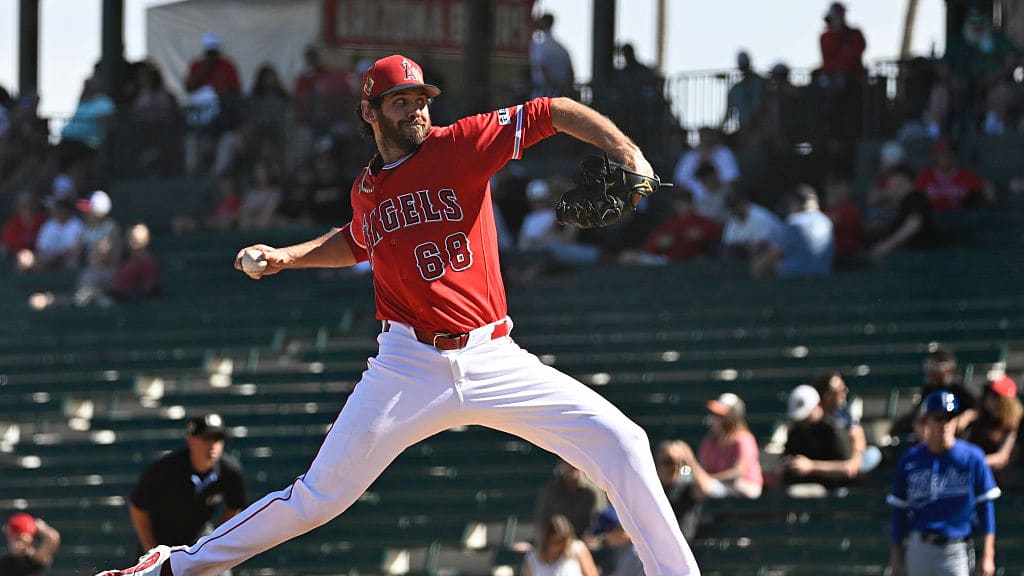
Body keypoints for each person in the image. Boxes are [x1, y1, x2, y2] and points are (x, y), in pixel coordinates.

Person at [94, 54, 699, 576]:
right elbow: (356, 241)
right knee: (319, 497)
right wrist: (288, 257)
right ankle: (176, 564)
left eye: (420, 98)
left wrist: (625, 149)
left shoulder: (461, 144)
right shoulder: (367, 189)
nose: (416, 109)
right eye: (401, 100)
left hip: (493, 354)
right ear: (371, 111)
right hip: (407, 364)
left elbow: (554, 110)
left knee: (623, 441)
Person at [887, 391, 999, 576]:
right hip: (920, 546)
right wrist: (895, 555)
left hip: (956, 548)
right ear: (927, 421)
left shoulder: (972, 457)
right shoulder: (911, 459)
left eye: (950, 418)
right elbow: (898, 510)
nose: (945, 424)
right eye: (939, 418)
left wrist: (988, 554)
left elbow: (986, 507)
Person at [128, 414, 246, 557]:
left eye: (218, 439)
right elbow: (138, 506)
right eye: (206, 438)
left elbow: (235, 507)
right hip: (162, 538)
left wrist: (215, 540)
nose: (212, 445)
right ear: (191, 440)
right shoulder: (167, 468)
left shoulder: (229, 472)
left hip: (199, 535)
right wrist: (150, 548)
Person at [676, 393, 763, 501]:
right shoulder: (711, 440)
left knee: (704, 487)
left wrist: (707, 478)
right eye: (715, 415)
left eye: (721, 416)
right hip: (718, 486)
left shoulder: (743, 439)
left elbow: (737, 473)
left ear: (733, 418)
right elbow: (703, 467)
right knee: (686, 484)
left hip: (745, 487)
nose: (715, 419)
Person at [889, 344, 978, 450]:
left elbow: (978, 408)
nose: (936, 366)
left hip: (955, 434)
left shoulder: (958, 388)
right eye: (934, 361)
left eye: (940, 361)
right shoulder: (928, 389)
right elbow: (917, 414)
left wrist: (966, 416)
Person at [183, 32, 242, 176]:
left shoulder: (228, 66)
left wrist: (220, 94)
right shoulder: (197, 65)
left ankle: (216, 177)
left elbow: (237, 90)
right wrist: (206, 69)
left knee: (228, 142)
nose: (212, 55)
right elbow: (189, 87)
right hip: (201, 125)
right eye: (209, 51)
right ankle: (193, 179)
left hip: (223, 123)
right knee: (191, 143)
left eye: (214, 51)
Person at [779, 384, 855, 492]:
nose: (803, 420)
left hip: (830, 489)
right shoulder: (796, 431)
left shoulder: (833, 429)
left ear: (818, 405)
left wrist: (812, 467)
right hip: (800, 483)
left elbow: (848, 468)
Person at [752, 185, 833, 278]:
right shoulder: (826, 221)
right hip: (824, 274)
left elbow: (776, 253)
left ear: (795, 204)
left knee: (764, 265)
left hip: (797, 278)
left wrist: (757, 265)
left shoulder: (794, 222)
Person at [812, 372, 882, 476]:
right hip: (825, 459)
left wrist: (856, 458)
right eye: (840, 390)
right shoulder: (813, 413)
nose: (845, 392)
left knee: (873, 453)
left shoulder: (843, 412)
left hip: (846, 458)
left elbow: (857, 435)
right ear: (827, 394)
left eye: (844, 388)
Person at [961, 375, 1023, 472]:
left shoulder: (1011, 424)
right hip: (969, 470)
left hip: (993, 475)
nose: (988, 398)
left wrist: (976, 461)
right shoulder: (977, 418)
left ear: (1006, 401)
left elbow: (1002, 457)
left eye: (994, 395)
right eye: (987, 393)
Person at [914, 139, 995, 213]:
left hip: (958, 218)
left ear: (954, 156)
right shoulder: (925, 175)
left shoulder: (965, 175)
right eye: (942, 153)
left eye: (949, 153)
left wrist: (989, 201)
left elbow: (986, 186)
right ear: (935, 156)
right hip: (933, 217)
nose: (946, 157)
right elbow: (913, 195)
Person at [533, 458, 602, 540]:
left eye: (576, 463)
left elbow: (597, 525)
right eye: (568, 461)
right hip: (555, 543)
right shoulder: (548, 492)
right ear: (560, 463)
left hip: (584, 544)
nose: (572, 465)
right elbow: (541, 524)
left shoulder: (592, 493)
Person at [653, 440, 701, 540]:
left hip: (683, 544)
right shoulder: (653, 488)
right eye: (668, 462)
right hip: (658, 543)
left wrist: (689, 459)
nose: (674, 467)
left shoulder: (687, 486)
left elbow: (704, 490)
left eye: (679, 462)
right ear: (658, 463)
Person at [521, 514, 599, 576]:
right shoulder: (532, 558)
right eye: (557, 542)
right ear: (547, 540)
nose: (562, 545)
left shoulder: (577, 549)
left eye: (565, 541)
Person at [722, 50, 767, 139]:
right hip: (744, 130)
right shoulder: (735, 89)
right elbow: (728, 112)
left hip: (762, 129)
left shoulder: (762, 83)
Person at [529, 13, 576, 99]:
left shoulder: (539, 46)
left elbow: (543, 68)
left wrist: (552, 88)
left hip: (543, 97)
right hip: (562, 97)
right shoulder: (562, 49)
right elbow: (571, 73)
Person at [591, 507, 644, 576]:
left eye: (606, 534)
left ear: (615, 530)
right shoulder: (621, 547)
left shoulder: (635, 550)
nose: (606, 538)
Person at [1, 192, 45, 261]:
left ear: (36, 205)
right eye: (23, 205)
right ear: (18, 207)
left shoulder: (43, 221)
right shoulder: (14, 223)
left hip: (38, 255)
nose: (28, 208)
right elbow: (8, 243)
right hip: (15, 254)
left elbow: (44, 244)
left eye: (30, 204)